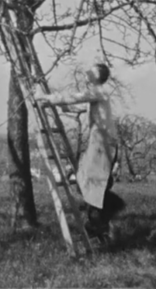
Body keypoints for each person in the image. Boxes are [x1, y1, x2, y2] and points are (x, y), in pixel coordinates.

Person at [34, 63, 125, 243]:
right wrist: (62, 106)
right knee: (85, 182)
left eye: (93, 69)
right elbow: (78, 105)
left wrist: (46, 98)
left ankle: (107, 213)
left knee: (91, 184)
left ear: (99, 76)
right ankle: (101, 223)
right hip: (99, 143)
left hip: (103, 144)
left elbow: (75, 97)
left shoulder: (99, 91)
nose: (87, 71)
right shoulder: (96, 94)